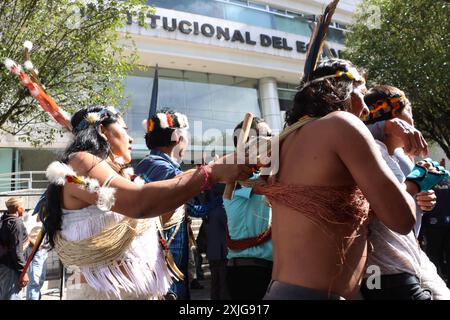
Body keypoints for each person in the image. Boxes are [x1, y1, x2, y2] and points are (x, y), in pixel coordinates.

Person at [42, 105, 251, 300]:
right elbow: (139, 202)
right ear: (103, 131)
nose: (131, 139)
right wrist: (211, 173)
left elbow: (153, 215)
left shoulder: (119, 174)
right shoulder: (81, 161)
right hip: (105, 293)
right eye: (124, 129)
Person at [360, 85, 450, 300]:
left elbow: (407, 200)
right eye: (409, 111)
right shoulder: (369, 150)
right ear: (397, 114)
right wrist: (415, 183)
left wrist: (421, 199)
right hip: (384, 268)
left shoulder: (398, 155)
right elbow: (385, 205)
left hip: (410, 256)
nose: (413, 118)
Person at [135, 110, 218, 300]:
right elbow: (195, 207)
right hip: (163, 262)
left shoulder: (147, 165)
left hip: (156, 261)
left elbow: (190, 208)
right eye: (186, 137)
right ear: (177, 137)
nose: (186, 143)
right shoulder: (165, 170)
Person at [223, 117, 273, 300]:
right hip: (250, 273)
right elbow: (262, 186)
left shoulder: (265, 175)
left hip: (265, 270)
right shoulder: (235, 183)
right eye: (267, 136)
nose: (273, 139)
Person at [0, 197, 29, 300]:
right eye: (23, 207)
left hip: (3, 266)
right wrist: (23, 272)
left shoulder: (4, 220)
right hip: (12, 268)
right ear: (17, 208)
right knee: (12, 297)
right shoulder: (16, 223)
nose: (24, 209)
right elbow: (17, 251)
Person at [25, 212, 48, 300]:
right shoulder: (32, 215)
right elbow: (25, 233)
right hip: (35, 250)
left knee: (41, 280)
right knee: (34, 281)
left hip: (44, 250)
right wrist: (35, 245)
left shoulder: (49, 214)